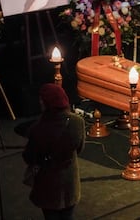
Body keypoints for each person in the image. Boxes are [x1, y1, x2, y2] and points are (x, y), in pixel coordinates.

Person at [22, 83, 86, 219]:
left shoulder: (37, 129)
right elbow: (79, 148)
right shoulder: (77, 122)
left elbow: (29, 157)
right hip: (70, 183)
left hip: (48, 185)